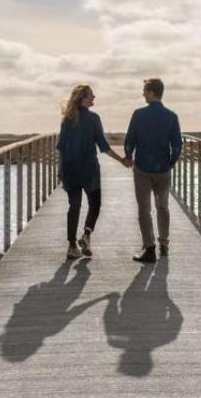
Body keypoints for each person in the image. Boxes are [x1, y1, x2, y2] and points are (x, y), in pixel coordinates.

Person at [56, 84, 128, 260]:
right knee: (95, 204)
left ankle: (72, 246)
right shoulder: (94, 118)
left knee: (74, 206)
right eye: (91, 96)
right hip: (89, 170)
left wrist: (60, 171)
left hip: (70, 169)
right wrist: (121, 160)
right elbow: (103, 146)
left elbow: (61, 148)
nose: (94, 98)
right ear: (83, 98)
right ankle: (86, 234)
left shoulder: (67, 119)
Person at [122, 78, 181, 263]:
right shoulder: (171, 116)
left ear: (151, 92)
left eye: (144, 91)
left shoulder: (139, 115)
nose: (142, 94)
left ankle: (149, 248)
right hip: (162, 169)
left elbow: (130, 140)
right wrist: (169, 163)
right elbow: (177, 146)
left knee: (144, 209)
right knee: (162, 207)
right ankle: (164, 244)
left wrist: (129, 156)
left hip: (142, 168)